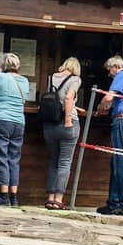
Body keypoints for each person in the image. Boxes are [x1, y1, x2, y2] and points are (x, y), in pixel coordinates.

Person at [96, 55, 123, 216]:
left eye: (109, 70)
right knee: (117, 161)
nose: (109, 74)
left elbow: (109, 97)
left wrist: (100, 108)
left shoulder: (122, 75)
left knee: (120, 162)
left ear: (115, 66)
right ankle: (113, 202)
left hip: (122, 120)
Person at [0, 52, 30, 207]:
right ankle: (14, 196)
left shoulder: (2, 77)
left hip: (1, 119)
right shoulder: (25, 81)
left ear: (4, 65)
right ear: (17, 66)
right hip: (19, 122)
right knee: (14, 158)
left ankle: (3, 195)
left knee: (1, 155)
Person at [42, 57, 82, 210]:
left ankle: (50, 198)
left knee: (54, 161)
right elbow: (68, 97)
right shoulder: (75, 79)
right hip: (67, 124)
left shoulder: (51, 77)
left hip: (50, 123)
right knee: (64, 162)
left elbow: (55, 99)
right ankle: (58, 200)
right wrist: (68, 119)